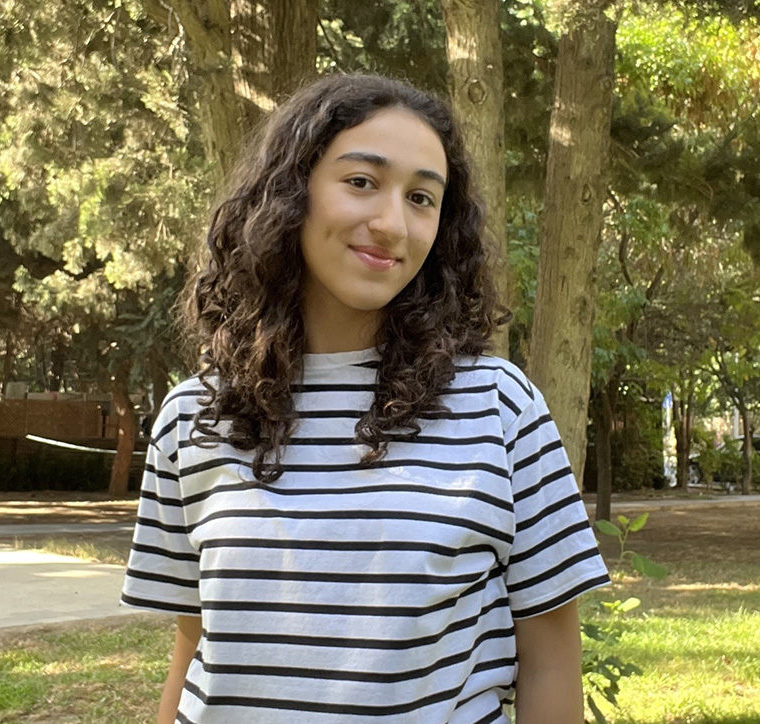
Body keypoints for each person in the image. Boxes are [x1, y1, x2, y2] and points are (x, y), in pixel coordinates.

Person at [121, 73, 609, 724]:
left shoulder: (500, 407)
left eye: (421, 199)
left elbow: (549, 660)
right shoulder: (192, 418)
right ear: (290, 193)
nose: (391, 224)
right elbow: (197, 643)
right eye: (361, 182)